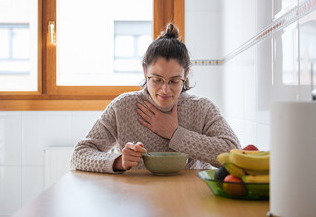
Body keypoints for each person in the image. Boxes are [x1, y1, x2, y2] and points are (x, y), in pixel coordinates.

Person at [71, 23, 241, 173]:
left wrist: (175, 133)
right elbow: (79, 154)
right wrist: (118, 162)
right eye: (157, 80)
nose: (165, 89)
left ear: (186, 74)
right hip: (137, 198)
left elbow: (234, 153)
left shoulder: (202, 108)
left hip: (189, 199)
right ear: (145, 72)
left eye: (174, 81)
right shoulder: (123, 106)